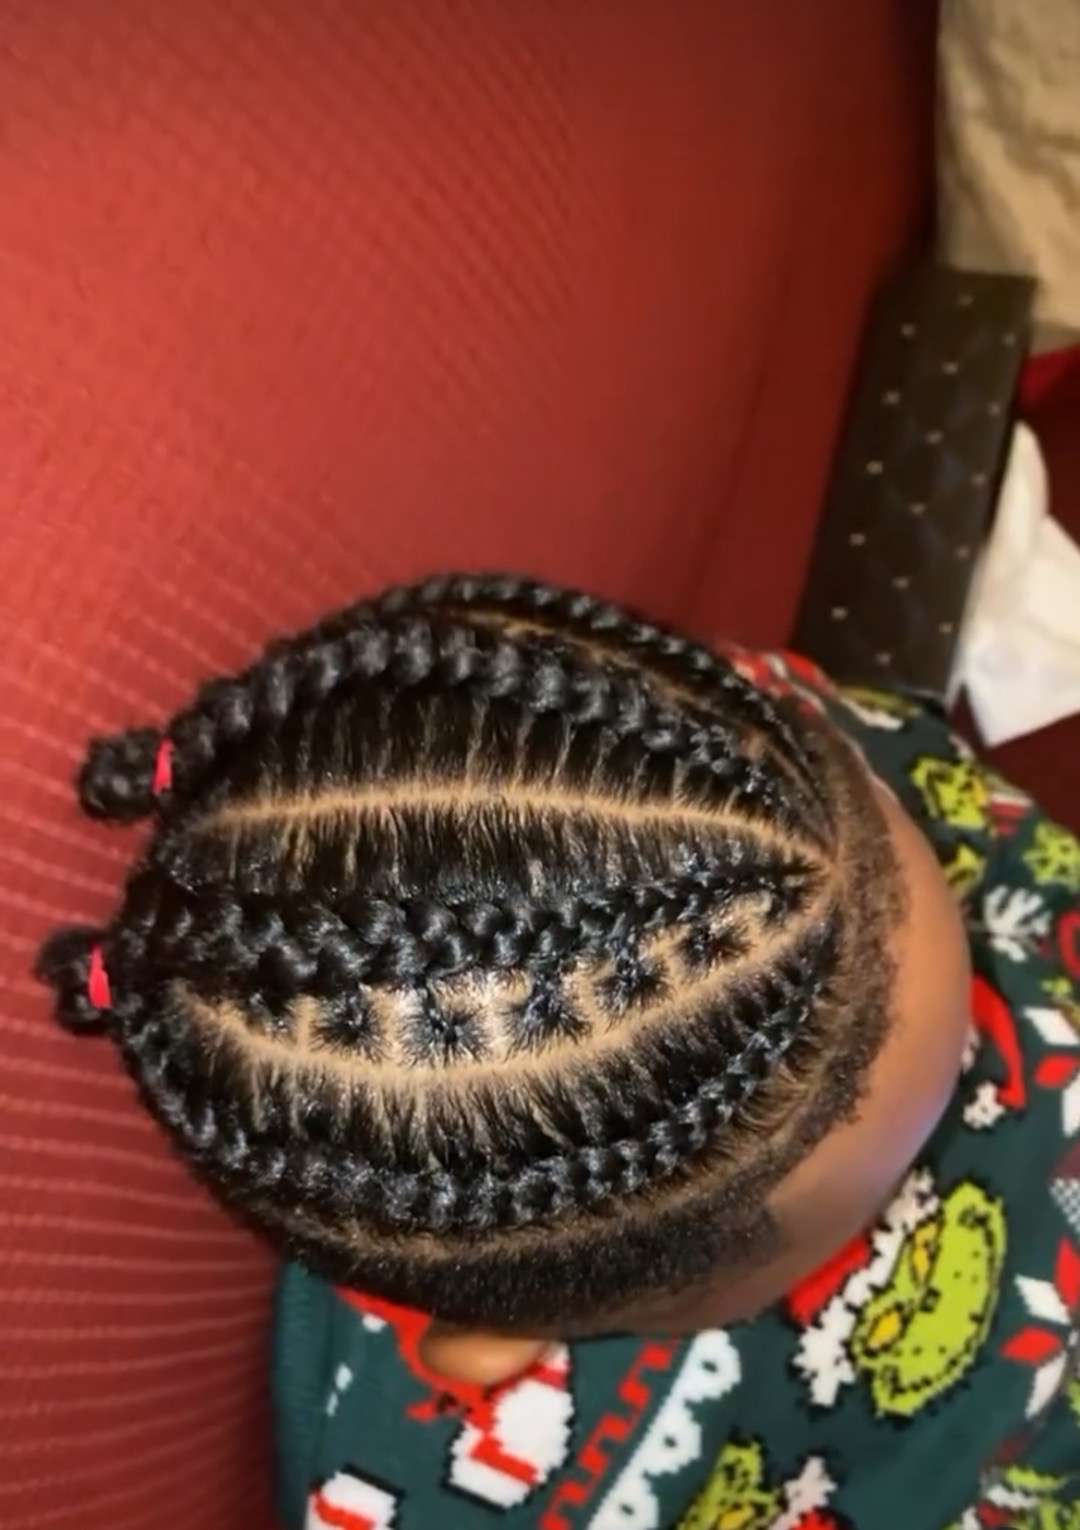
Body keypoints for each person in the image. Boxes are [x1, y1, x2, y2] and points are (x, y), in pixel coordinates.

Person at [37, 574, 1080, 1530]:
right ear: (486, 1355)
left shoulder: (749, 795)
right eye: (883, 1192)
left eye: (874, 800)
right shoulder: (448, 1493)